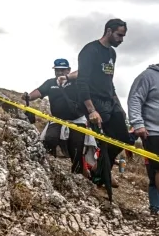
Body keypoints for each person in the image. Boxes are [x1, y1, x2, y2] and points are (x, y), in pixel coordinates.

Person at [64, 19, 129, 187]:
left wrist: (119, 106)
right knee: (104, 141)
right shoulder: (90, 50)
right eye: (119, 35)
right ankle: (101, 173)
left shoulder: (112, 53)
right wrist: (91, 110)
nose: (121, 39)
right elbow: (82, 81)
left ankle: (100, 168)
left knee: (124, 138)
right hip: (94, 100)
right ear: (109, 31)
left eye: (123, 36)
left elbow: (109, 81)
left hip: (109, 100)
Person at [22, 58, 86, 173]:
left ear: (69, 70)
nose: (60, 72)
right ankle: (50, 168)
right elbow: (39, 91)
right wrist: (29, 96)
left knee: (76, 147)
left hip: (77, 120)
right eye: (57, 70)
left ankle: (78, 173)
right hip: (57, 119)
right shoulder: (50, 83)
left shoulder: (76, 80)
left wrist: (67, 77)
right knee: (49, 139)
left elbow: (83, 71)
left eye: (63, 70)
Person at [127, 64, 159, 214]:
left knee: (154, 171)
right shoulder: (148, 76)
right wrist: (138, 123)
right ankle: (156, 206)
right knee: (157, 169)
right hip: (153, 131)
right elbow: (135, 99)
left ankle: (155, 206)